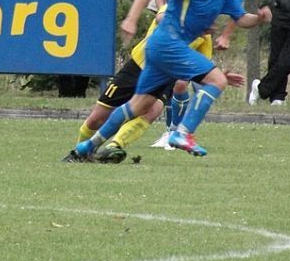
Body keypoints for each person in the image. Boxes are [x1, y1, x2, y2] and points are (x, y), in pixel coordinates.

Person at [74, 0, 269, 159]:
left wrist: (259, 19)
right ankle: (182, 133)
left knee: (138, 105)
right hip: (167, 43)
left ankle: (87, 146)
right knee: (217, 81)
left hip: (162, 48)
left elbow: (241, 18)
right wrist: (131, 19)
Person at [61, 13, 244, 163]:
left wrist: (219, 77)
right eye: (210, 22)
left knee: (152, 110)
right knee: (96, 119)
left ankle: (114, 146)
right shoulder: (180, 8)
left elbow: (201, 67)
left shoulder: (204, 38)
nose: (212, 27)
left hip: (165, 77)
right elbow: (160, 17)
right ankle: (80, 152)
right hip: (138, 67)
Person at [147, 0, 215, 148]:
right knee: (176, 84)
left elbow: (224, 1)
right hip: (172, 32)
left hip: (198, 35)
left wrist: (222, 32)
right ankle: (172, 132)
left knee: (192, 85)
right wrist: (162, 10)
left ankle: (181, 132)